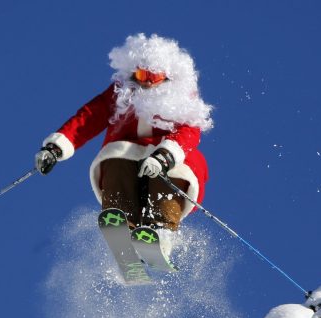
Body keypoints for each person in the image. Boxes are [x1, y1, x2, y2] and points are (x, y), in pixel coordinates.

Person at [34, 33, 213, 256]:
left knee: (174, 174)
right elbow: (89, 118)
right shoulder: (121, 92)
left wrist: (164, 156)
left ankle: (161, 230)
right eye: (141, 75)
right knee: (115, 161)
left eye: (154, 76)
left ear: (168, 77)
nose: (147, 82)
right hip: (126, 154)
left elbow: (189, 132)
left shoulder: (182, 101)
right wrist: (55, 148)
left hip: (165, 157)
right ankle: (122, 224)